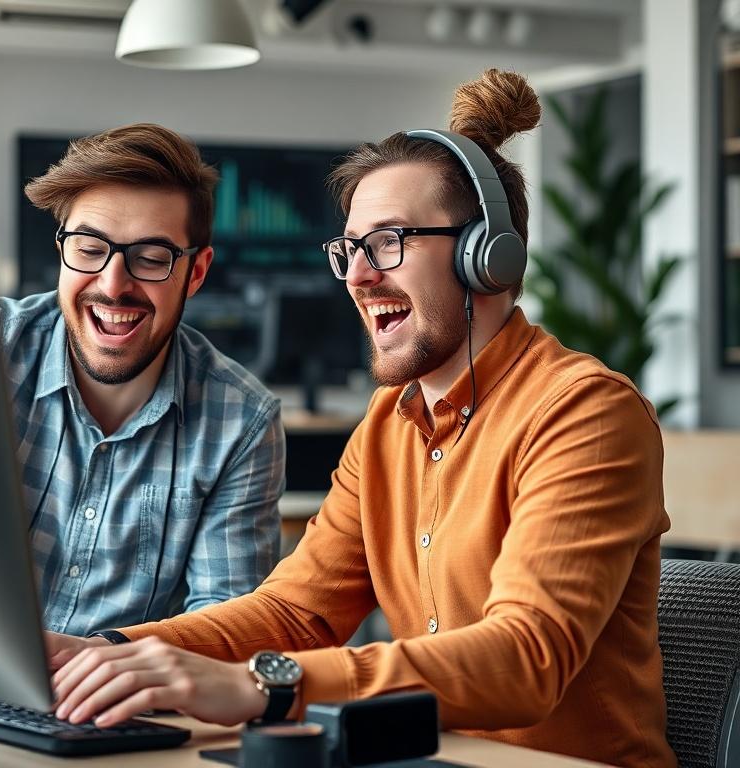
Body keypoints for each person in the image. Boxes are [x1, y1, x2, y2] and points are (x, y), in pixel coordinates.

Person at [41, 71, 676, 768]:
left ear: (486, 259)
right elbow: (297, 614)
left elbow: (526, 656)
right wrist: (112, 652)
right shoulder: (387, 426)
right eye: (350, 249)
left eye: (390, 242)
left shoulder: (584, 412)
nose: (358, 276)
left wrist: (263, 685)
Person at [0, 123, 285, 636]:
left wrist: (95, 663)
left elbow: (223, 628)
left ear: (196, 273)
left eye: (151, 259)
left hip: (108, 702)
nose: (113, 285)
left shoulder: (240, 421)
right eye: (88, 249)